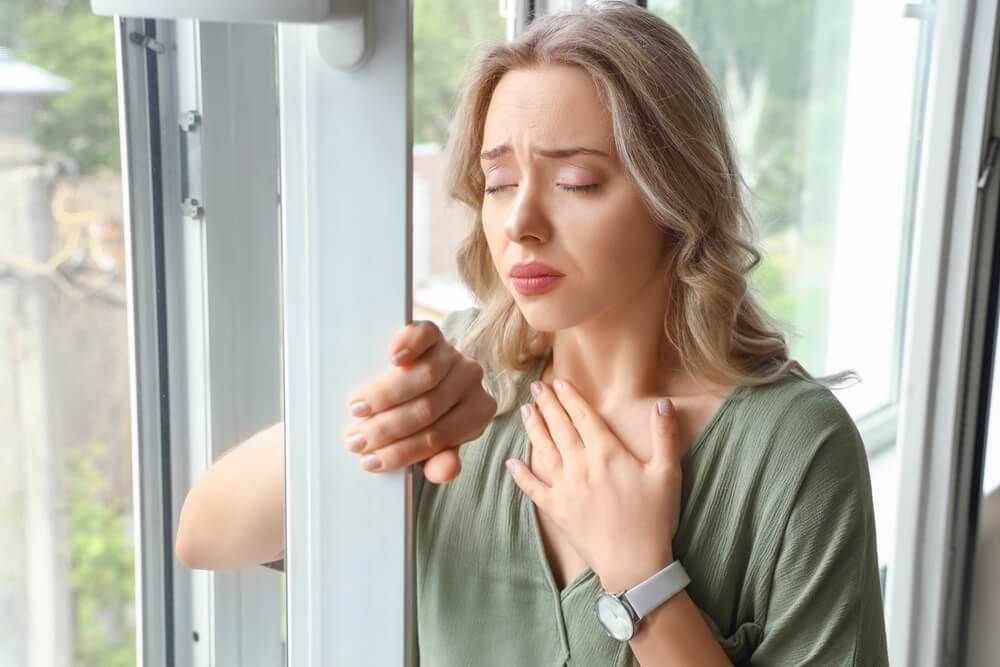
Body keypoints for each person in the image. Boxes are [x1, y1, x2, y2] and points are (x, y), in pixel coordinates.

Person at [175, 2, 890, 664]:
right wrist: (387, 424)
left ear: (677, 194)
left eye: (577, 180)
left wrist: (643, 578)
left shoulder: (794, 450)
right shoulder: (459, 380)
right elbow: (204, 533)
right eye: (498, 183)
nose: (520, 223)